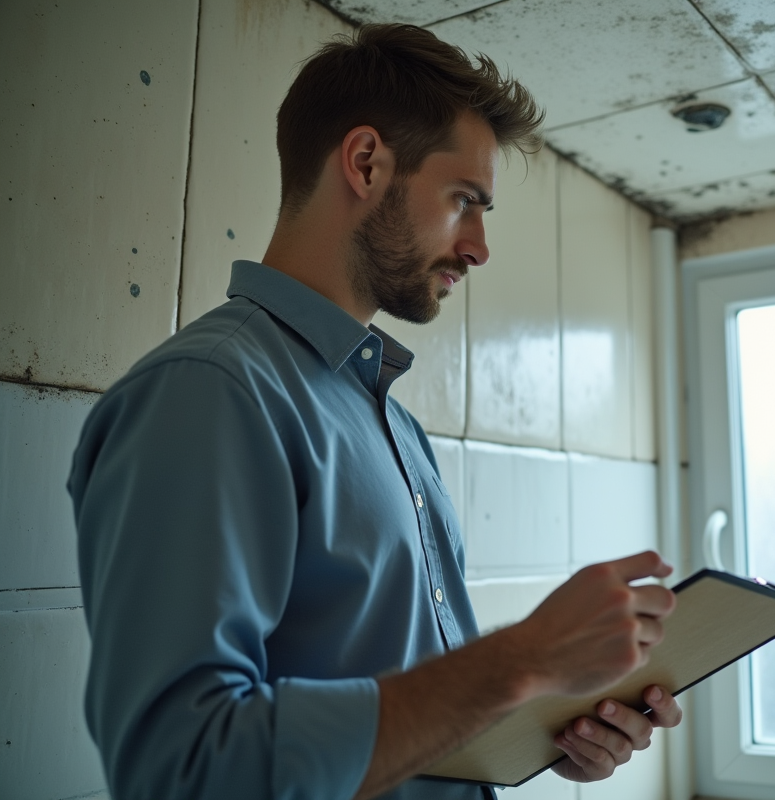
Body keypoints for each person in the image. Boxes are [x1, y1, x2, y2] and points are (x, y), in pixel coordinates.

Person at [68, 23, 681, 800]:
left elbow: (400, 709)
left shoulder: (390, 422)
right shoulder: (207, 392)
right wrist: (523, 660)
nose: (480, 248)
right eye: (465, 201)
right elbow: (183, 771)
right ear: (365, 163)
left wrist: (540, 717)